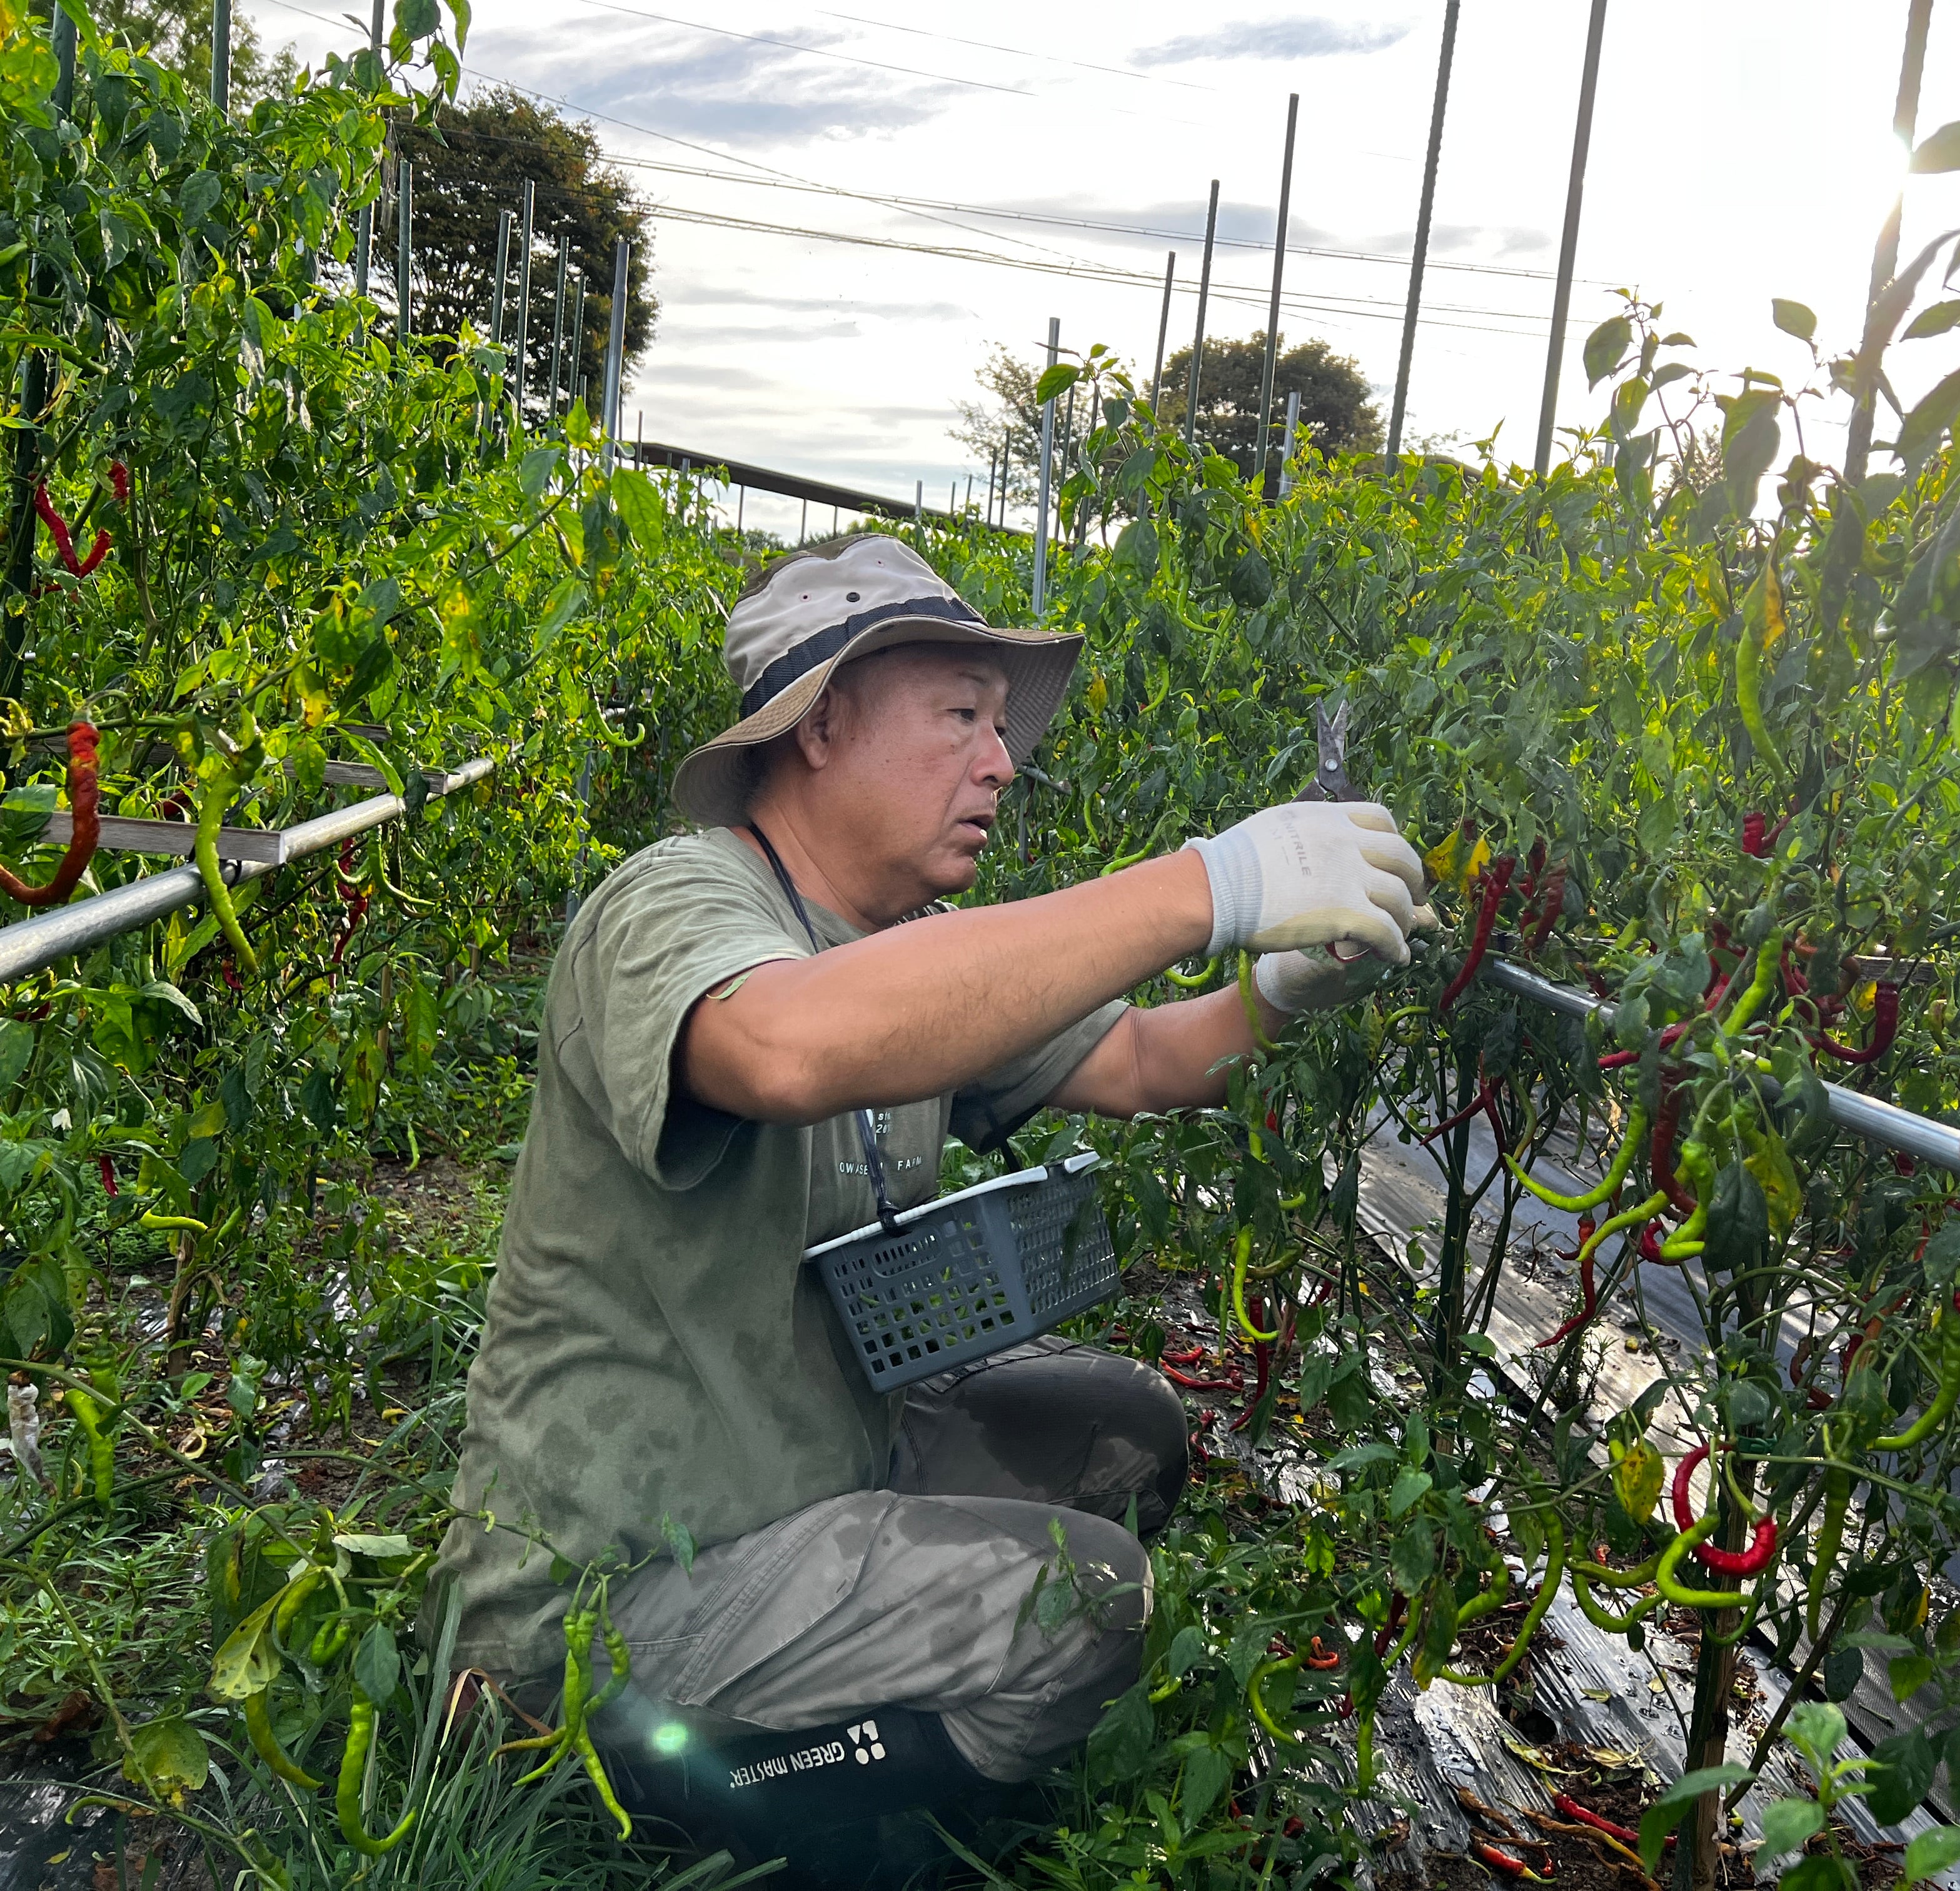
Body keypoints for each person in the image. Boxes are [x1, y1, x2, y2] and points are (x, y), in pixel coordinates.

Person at [431, 532, 1430, 1881]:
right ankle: (656, 1789)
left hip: (820, 1465)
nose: (1001, 761)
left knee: (1123, 1433)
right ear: (823, 724)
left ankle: (841, 1710)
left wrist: (1274, 993)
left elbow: (1140, 1059)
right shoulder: (674, 901)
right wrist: (1206, 883)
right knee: (1093, 1602)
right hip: (626, 1573)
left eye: (1001, 726)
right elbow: (785, 1046)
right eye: (961, 714)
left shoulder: (901, 953)